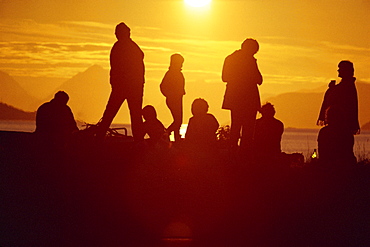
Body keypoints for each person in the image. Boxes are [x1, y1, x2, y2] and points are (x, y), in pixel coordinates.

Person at [97, 22, 145, 141]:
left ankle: (99, 137)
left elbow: (116, 68)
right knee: (133, 115)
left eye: (118, 33)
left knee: (112, 113)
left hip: (126, 87)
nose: (116, 35)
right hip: (130, 87)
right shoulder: (130, 47)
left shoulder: (121, 47)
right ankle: (138, 140)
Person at [221, 38, 263, 153]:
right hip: (248, 99)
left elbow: (224, 77)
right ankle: (244, 154)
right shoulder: (250, 61)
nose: (254, 54)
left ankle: (234, 152)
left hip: (236, 98)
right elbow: (259, 79)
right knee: (248, 130)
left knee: (236, 126)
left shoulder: (230, 59)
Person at [317, 60, 360, 165]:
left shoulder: (347, 86)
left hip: (341, 124)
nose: (338, 70)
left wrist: (331, 89)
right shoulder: (347, 85)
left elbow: (341, 100)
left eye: (340, 68)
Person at [160, 53, 185, 142]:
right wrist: (169, 95)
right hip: (173, 100)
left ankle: (176, 137)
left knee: (178, 120)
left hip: (178, 99)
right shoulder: (170, 74)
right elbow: (162, 86)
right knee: (178, 120)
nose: (181, 65)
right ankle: (166, 132)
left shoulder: (178, 74)